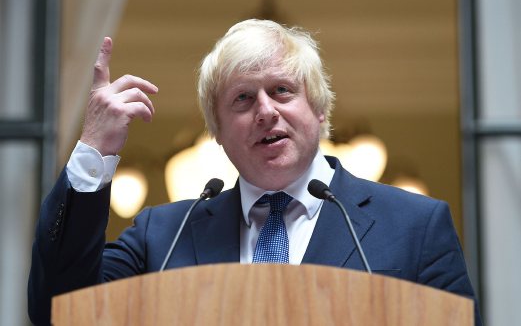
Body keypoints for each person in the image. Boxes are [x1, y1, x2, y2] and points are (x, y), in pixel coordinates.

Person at [28, 19, 481, 325]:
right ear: (219, 133)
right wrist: (94, 150)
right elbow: (58, 310)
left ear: (320, 110)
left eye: (282, 90)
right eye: (242, 99)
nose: (265, 111)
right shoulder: (162, 236)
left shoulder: (417, 227)